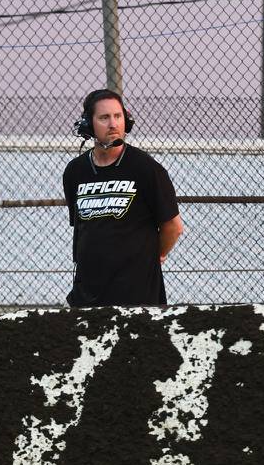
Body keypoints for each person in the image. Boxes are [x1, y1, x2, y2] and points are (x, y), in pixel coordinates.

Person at [63, 89, 185, 307]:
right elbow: (82, 228)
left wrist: (154, 257)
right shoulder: (75, 171)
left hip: (137, 296)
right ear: (88, 124)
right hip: (88, 295)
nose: (113, 124)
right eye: (104, 117)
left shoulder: (146, 169)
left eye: (118, 116)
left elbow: (173, 227)